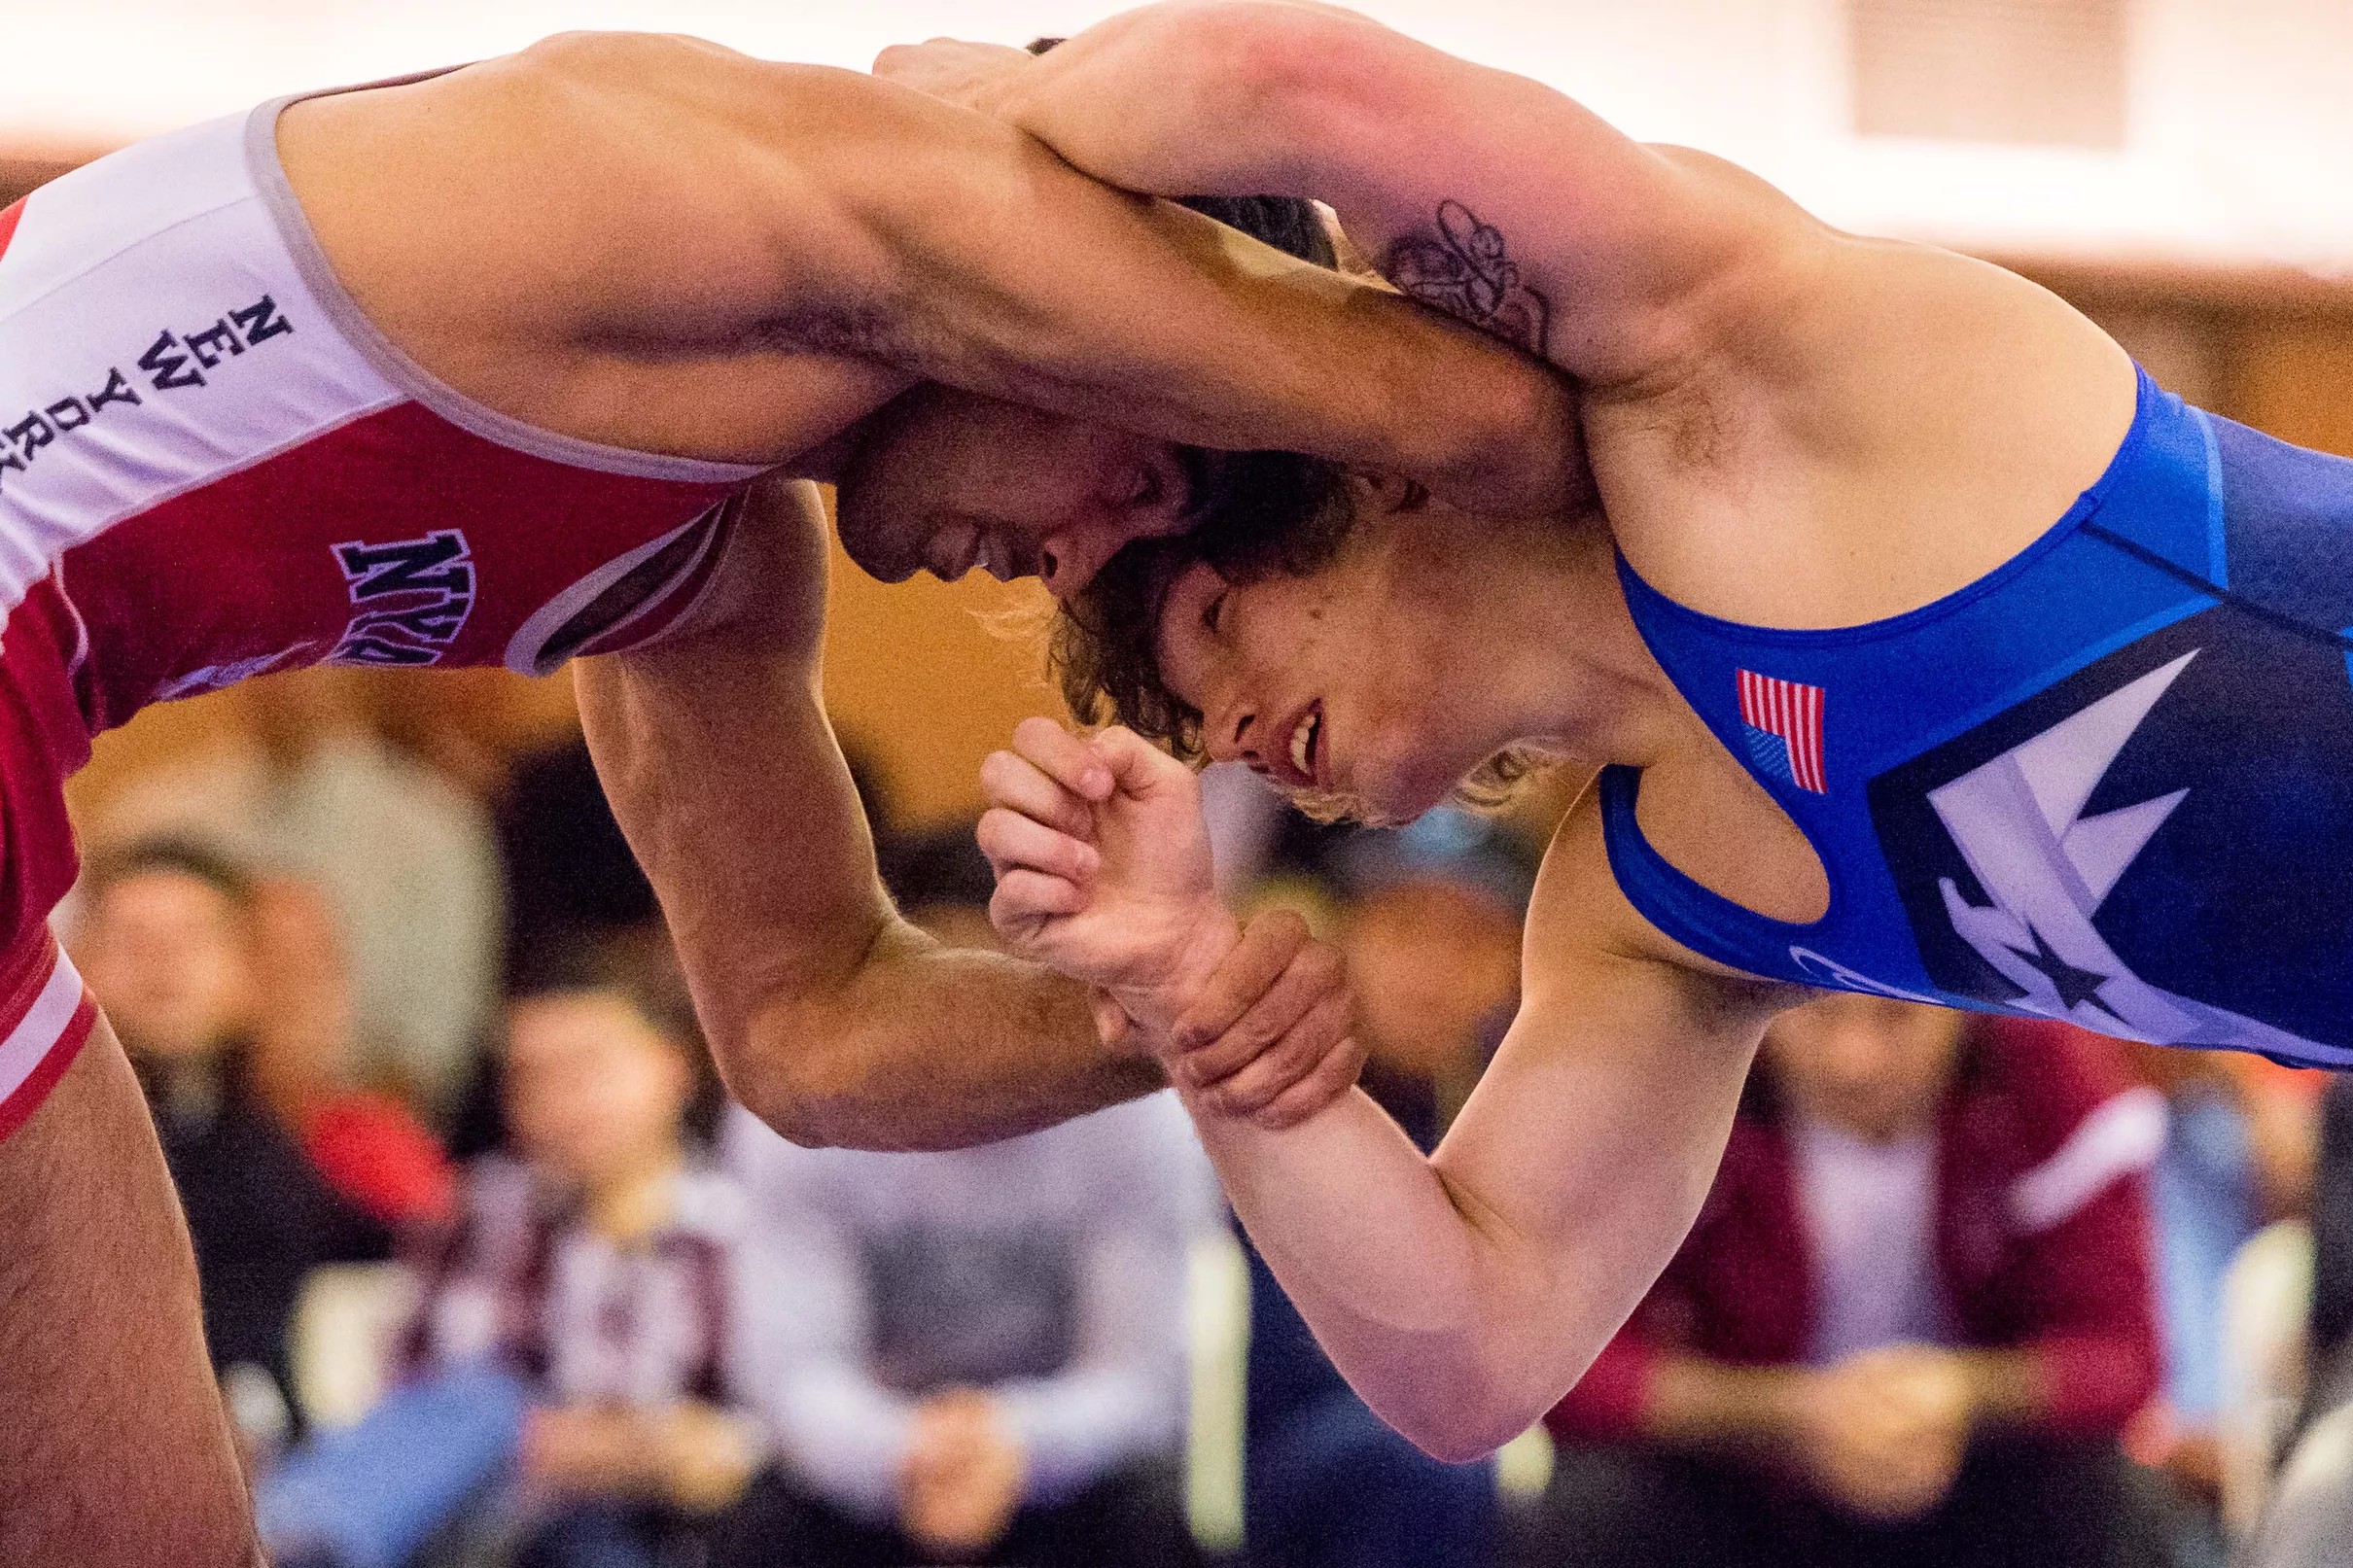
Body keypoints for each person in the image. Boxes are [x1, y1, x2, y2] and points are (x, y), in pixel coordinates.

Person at [0, 26, 1582, 1557]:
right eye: (1149, 468)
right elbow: (1480, 413)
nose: (1081, 551)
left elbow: (808, 1035)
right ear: (1106, 294)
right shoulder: (774, 178)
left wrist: (1165, 998)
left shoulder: (707, 563)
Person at [931, 0, 2353, 1465]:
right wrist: (1189, 995)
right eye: (1192, 723)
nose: (1228, 731)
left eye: (1219, 621)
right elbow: (1469, 1363)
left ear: (1355, 465)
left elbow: (1284, 82)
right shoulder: (1650, 906)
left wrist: (962, 153)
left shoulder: (1721, 388)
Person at [711, 829, 1218, 1568]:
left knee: (1153, 1524)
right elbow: (789, 1377)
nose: (964, 1020)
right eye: (933, 988)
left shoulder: (1139, 1117)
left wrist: (1013, 1439)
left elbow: (1145, 1380)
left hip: (1062, 1472)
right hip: (876, 1469)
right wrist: (908, 1451)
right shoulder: (800, 1111)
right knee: (758, 1529)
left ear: (1059, 978)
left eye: (998, 983)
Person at [1538, 998, 2164, 1568]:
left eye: (1897, 1017)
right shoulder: (1675, 1079)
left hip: (1973, 1475)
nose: (1853, 1061)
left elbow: (2123, 1356)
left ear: (1966, 1003)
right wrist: (1792, 1412)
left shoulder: (2046, 1069)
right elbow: (1569, 1377)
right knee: (1593, 1503)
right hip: (1740, 1482)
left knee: (2111, 1498)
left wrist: (1957, 1393)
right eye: (1815, 1012)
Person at [260, 978, 761, 1568]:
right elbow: (415, 1408)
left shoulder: (746, 1230)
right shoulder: (474, 1212)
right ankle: (278, 1546)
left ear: (673, 1066)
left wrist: (605, 1449)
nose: (562, 1102)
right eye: (532, 1079)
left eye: (587, 1067)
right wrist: (601, 1442)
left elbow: (761, 1437)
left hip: (661, 1528)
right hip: (477, 1512)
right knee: (479, 1404)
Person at [68, 838, 396, 1454]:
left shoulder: (277, 1151)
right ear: (79, 963)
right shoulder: (37, 1160)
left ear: (249, 974)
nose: (163, 964)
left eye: (193, 939)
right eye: (133, 940)